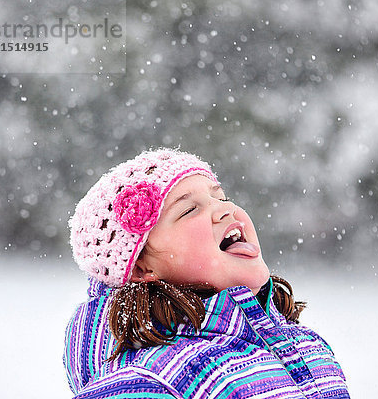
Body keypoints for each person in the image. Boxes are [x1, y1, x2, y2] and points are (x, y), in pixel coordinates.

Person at [63, 148, 350, 398]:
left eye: (221, 197)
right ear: (141, 267)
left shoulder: (309, 347)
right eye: (189, 210)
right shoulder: (154, 381)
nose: (225, 210)